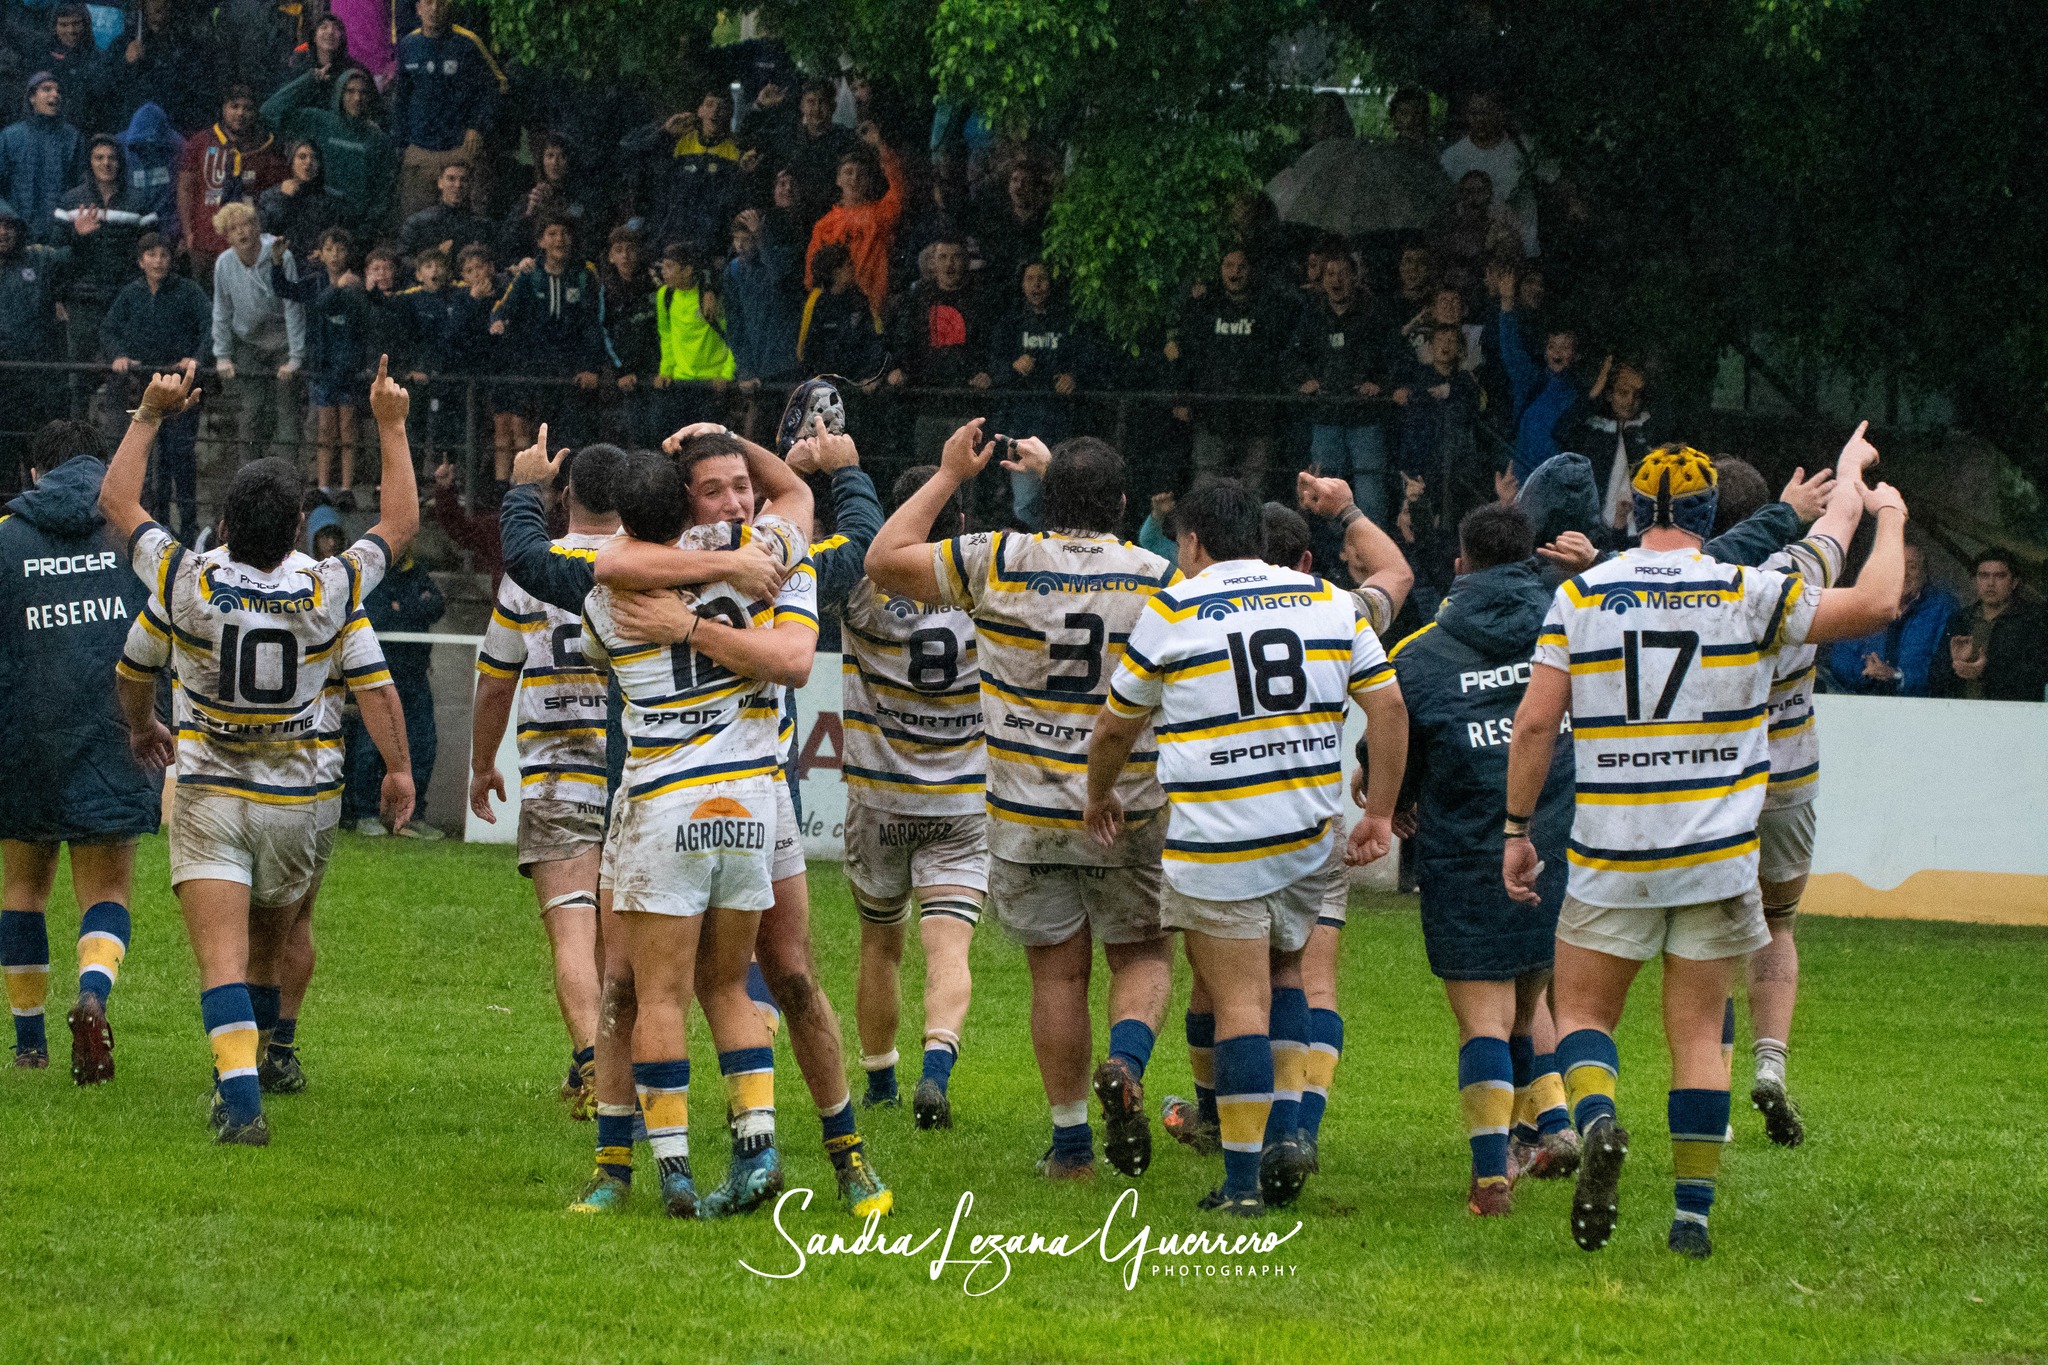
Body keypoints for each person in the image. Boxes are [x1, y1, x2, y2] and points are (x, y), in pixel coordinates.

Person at [1503, 444, 1911, 1258]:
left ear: (1631, 512)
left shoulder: (1582, 594)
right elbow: (1875, 602)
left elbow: (1537, 723)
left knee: (1580, 1012)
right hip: (1719, 855)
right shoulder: (1750, 589)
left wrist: (1516, 828)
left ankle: (1598, 1120)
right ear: (1704, 516)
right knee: (1697, 1034)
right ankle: (1690, 1216)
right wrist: (1887, 512)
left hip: (1613, 850)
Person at [100, 357, 420, 1146]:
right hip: (296, 796)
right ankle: (267, 1060)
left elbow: (116, 502)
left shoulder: (184, 579)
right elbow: (400, 526)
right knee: (270, 950)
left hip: (211, 787)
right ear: (297, 528)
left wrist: (148, 413)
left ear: (226, 521)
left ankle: (240, 1099)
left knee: (220, 959)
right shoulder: (329, 588)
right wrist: (390, 425)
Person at [588, 422, 894, 1220]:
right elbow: (625, 554)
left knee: (765, 977)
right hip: (736, 796)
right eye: (715, 489)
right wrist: (728, 569)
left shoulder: (756, 554)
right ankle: (629, 1166)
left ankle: (814, 1160)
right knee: (659, 984)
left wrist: (690, 623)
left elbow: (793, 659)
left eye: (742, 486)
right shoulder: (757, 559)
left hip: (698, 793)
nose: (738, 501)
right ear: (681, 502)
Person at [488, 428, 791, 1215]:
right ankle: (757, 1150)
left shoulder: (606, 594)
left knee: (646, 994)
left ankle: (670, 1170)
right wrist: (751, 452)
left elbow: (541, 561)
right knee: (725, 984)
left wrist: (526, 489)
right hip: (751, 806)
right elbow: (799, 502)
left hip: (664, 804)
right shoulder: (756, 568)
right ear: (693, 505)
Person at [1085, 478, 1408, 1215]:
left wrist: (1099, 793)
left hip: (1218, 838)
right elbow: (1387, 705)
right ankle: (1288, 1134)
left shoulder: (1175, 607)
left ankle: (1240, 1184)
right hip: (1306, 833)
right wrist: (1381, 810)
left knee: (1238, 1002)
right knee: (1288, 974)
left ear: (1193, 541)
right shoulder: (1327, 600)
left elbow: (1113, 726)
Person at [867, 424, 1176, 1184]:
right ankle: (1127, 1061)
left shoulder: (998, 559)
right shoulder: (1158, 574)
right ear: (1125, 505)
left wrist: (945, 476)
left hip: (1026, 812)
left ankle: (1070, 1147)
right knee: (1141, 953)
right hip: (1128, 804)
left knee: (1057, 976)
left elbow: (882, 559)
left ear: (1041, 500)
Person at [1374, 499, 1584, 1216]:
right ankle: (1548, 1129)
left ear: (1460, 565)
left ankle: (1491, 1174)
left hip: (1466, 852)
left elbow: (1391, 746)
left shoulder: (1421, 654)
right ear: (1531, 559)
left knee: (1483, 1023)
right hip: (1554, 843)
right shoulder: (1572, 623)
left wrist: (1391, 800)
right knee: (1526, 1012)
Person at [1709, 437, 1877, 1150]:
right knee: (1778, 923)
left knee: (1707, 936)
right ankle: (1770, 1065)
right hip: (1789, 776)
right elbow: (1841, 521)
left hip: (1712, 775)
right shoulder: (1796, 572)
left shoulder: (1688, 587)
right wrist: (1849, 468)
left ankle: (1706, 1089)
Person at [469, 443, 624, 1115]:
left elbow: (495, 680)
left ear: (565, 494)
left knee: (570, 931)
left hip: (557, 774)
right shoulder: (651, 564)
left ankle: (596, 1068)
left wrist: (481, 763)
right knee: (617, 941)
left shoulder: (531, 574)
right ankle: (596, 1061)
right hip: (633, 770)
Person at [0, 421, 157, 1080]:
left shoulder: (6, 536)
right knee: (107, 888)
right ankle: (93, 991)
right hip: (112, 727)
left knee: (22, 890)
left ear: (34, 473)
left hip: (22, 734)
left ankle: (30, 1043)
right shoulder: (130, 530)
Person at [838, 464, 986, 1129]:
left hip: (880, 797)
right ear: (959, 527)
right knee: (948, 945)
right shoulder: (990, 592)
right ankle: (937, 1070)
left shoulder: (861, 591)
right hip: (960, 799)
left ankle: (878, 1086)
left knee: (880, 943)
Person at [99, 233, 208, 538]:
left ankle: (188, 529)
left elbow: (209, 326)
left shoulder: (188, 291)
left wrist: (194, 360)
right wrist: (118, 355)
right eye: (152, 255)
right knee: (148, 459)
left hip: (179, 389)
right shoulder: (130, 294)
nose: (158, 261)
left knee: (180, 458)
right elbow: (108, 329)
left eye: (164, 254)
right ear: (140, 260)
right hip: (142, 388)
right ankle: (155, 528)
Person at [1288, 249, 1398, 526]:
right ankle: (1332, 557)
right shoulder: (1313, 315)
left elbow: (1394, 356)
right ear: (1322, 280)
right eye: (1330, 274)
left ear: (1355, 278)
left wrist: (1381, 385)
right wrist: (1305, 380)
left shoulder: (1375, 313)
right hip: (1326, 415)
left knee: (1370, 493)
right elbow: (1292, 356)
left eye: (1343, 274)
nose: (1336, 281)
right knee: (1323, 491)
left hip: (1365, 417)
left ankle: (1370, 555)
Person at [1171, 249, 1292, 494]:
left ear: (1251, 270)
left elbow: (1279, 356)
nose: (1234, 273)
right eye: (1229, 265)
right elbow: (1190, 356)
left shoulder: (1268, 308)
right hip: (1212, 414)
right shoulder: (1204, 307)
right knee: (1206, 486)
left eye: (1241, 266)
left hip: (1257, 416)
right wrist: (1182, 396)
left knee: (1253, 490)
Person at [344, 544, 444, 839]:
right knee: (370, 744)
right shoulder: (373, 575)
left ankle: (413, 816)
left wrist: (403, 607)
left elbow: (437, 606)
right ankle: (366, 814)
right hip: (380, 675)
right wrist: (414, 607)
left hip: (416, 675)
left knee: (423, 745)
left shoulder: (417, 571)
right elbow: (377, 616)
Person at [489, 218, 608, 456]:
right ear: (541, 241)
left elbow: (594, 324)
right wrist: (497, 321)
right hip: (535, 370)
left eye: (564, 233)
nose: (559, 239)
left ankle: (565, 489)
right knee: (533, 435)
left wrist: (591, 367)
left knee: (569, 438)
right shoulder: (529, 275)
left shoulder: (584, 273)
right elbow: (503, 307)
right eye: (552, 234)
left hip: (571, 372)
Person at [272, 224, 372, 506]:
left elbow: (363, 324)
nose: (336, 255)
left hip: (349, 367)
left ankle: (347, 488)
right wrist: (277, 262)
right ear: (321, 253)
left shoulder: (355, 284)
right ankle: (324, 486)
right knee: (325, 427)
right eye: (330, 249)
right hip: (323, 365)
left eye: (341, 249)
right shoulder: (315, 281)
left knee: (348, 426)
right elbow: (287, 290)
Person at [210, 200, 306, 467]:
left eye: (247, 225)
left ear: (257, 227)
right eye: (234, 228)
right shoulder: (224, 264)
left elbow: (293, 305)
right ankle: (248, 474)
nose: (242, 232)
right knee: (251, 411)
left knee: (286, 413)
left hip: (282, 343)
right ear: (226, 235)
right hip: (248, 343)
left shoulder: (280, 255)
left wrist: (296, 356)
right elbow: (221, 310)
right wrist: (223, 355)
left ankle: (288, 475)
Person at [389, 0, 505, 221]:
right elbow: (401, 97)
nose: (434, 9)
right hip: (420, 152)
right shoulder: (408, 45)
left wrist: (478, 126)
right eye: (429, 3)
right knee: (416, 222)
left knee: (469, 221)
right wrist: (402, 144)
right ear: (418, 9)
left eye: (441, 3)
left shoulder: (468, 43)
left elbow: (496, 85)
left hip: (459, 150)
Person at [262, 68, 396, 242]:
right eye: (350, 91)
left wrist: (367, 229)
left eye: (363, 92)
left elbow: (383, 190)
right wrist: (308, 79)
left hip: (358, 227)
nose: (357, 98)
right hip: (319, 219)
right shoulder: (321, 122)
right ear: (340, 92)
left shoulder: (377, 139)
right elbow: (269, 111)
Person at [56, 137, 152, 371]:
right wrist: (78, 236)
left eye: (112, 158)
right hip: (83, 297)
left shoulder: (139, 201)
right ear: (89, 162)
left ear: (120, 163)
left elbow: (151, 248)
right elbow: (56, 253)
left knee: (125, 368)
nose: (106, 163)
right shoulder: (70, 200)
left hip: (124, 296)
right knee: (80, 372)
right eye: (99, 157)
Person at [175, 86, 285, 291]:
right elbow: (185, 188)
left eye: (247, 108)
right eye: (234, 106)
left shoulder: (264, 148)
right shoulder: (201, 142)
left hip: (246, 246)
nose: (240, 113)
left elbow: (274, 198)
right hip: (204, 243)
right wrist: (188, 233)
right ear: (224, 108)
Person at [621, 90, 744, 265]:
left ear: (729, 113)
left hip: (708, 247)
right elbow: (629, 152)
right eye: (709, 105)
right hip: (669, 240)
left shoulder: (736, 152)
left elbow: (733, 203)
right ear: (699, 110)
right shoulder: (678, 141)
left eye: (722, 107)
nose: (715, 112)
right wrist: (664, 132)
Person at [1493, 266, 1584, 482]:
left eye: (1564, 347)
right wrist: (1506, 304)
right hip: (1521, 481)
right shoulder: (1531, 380)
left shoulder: (1579, 394)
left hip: (1555, 484)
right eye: (1552, 346)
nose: (1557, 352)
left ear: (1576, 354)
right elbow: (1511, 350)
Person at [1826, 540, 1952, 696]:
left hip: (1919, 706)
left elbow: (1944, 667)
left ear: (1925, 573)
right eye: (1897, 565)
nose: (1904, 573)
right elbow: (1840, 658)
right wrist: (1867, 671)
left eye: (1912, 567)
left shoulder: (1941, 606)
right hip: (1865, 702)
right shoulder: (1863, 605)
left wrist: (1896, 675)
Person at [803, 121, 903, 316]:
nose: (854, 179)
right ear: (838, 180)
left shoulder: (880, 214)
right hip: (837, 312)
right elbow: (811, 277)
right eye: (848, 173)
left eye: (861, 174)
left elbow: (899, 188)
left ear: (869, 181)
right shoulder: (824, 225)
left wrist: (880, 145)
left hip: (874, 310)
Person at [0, 206, 68, 476]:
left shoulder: (38, 261)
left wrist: (78, 234)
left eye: (9, 226)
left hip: (33, 382)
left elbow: (71, 260)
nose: (3, 232)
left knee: (36, 459)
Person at [1930, 548, 2048, 702]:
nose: (1990, 583)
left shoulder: (2033, 620)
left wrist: (1985, 671)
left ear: (2014, 582)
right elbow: (1935, 674)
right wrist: (1956, 665)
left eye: (2000, 576)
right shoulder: (1961, 619)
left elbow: (2038, 674)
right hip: (1962, 713)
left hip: (2013, 715)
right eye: (1984, 576)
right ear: (1975, 581)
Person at [649, 241, 733, 434]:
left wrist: (726, 373)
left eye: (670, 267)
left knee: (708, 442)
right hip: (680, 382)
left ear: (688, 270)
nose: (664, 272)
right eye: (663, 267)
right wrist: (666, 370)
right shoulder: (665, 295)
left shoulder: (709, 296)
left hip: (711, 382)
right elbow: (666, 335)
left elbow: (731, 335)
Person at [0, 72, 82, 245]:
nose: (55, 94)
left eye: (58, 90)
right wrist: (10, 222)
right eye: (47, 89)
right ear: (32, 97)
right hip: (18, 238)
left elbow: (79, 188)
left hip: (59, 237)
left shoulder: (72, 138)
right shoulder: (10, 137)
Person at [724, 207, 802, 389]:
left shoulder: (783, 257)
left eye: (747, 239)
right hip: (756, 362)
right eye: (736, 239)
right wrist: (745, 369)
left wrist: (761, 239)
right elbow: (735, 324)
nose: (740, 246)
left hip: (787, 360)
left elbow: (778, 276)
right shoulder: (733, 270)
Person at [794, 241, 881, 380]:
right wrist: (819, 377)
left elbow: (875, 338)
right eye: (849, 265)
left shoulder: (860, 299)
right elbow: (805, 348)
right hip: (827, 386)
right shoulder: (816, 302)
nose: (853, 268)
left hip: (857, 384)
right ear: (836, 272)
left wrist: (871, 374)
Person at [255, 139, 343, 264]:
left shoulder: (328, 200)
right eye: (302, 157)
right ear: (291, 162)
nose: (308, 162)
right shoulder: (272, 195)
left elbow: (335, 236)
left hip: (314, 267)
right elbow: (264, 229)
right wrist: (283, 198)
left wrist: (323, 252)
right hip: (279, 263)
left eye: (313, 158)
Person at [397, 160, 494, 263]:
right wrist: (434, 256)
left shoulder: (482, 225)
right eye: (451, 179)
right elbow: (403, 259)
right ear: (440, 183)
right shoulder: (418, 222)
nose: (458, 185)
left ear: (470, 184)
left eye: (463, 180)